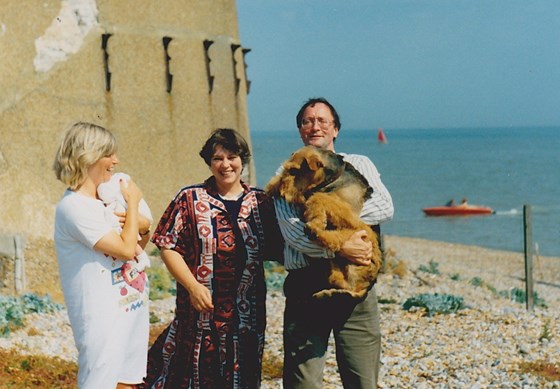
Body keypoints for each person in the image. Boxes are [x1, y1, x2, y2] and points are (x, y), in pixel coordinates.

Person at [143, 128, 284, 388]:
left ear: (243, 160)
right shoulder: (189, 199)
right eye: (218, 158)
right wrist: (193, 286)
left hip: (247, 317)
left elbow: (284, 248)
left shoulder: (261, 202)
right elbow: (167, 245)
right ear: (209, 162)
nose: (225, 165)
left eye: (232, 157)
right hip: (198, 316)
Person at [274, 97, 394, 388]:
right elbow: (293, 234)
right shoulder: (287, 174)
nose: (315, 126)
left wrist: (329, 218)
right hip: (306, 287)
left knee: (362, 379)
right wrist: (341, 244)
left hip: (356, 287)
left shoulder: (359, 164)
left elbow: (384, 207)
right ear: (301, 131)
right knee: (304, 382)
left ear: (335, 129)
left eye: (322, 120)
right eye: (307, 121)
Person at [53, 122, 152, 388]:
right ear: (89, 156)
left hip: (130, 308)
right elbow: (124, 249)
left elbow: (141, 242)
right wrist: (133, 203)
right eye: (109, 154)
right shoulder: (73, 207)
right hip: (102, 319)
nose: (116, 161)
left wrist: (142, 224)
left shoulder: (105, 201)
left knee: (127, 383)